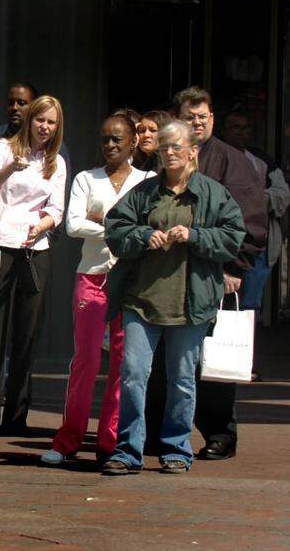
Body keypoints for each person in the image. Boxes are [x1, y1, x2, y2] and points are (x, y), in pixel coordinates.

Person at [101, 120, 245, 475]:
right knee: (134, 374)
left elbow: (232, 237)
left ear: (193, 151)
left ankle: (176, 448)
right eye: (164, 147)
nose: (168, 153)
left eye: (176, 147)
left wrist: (194, 235)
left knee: (182, 379)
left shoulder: (213, 193)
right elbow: (115, 228)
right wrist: (143, 235)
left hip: (190, 304)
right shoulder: (145, 191)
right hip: (141, 300)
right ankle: (127, 450)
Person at [40, 114, 152, 466]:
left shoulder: (148, 181)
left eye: (118, 139)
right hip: (91, 276)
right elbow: (73, 225)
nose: (110, 145)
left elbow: (150, 227)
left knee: (124, 362)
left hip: (131, 281)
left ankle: (110, 441)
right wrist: (123, 228)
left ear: (133, 141)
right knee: (85, 359)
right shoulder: (87, 178)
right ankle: (68, 438)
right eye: (105, 139)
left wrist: (103, 221)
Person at [174, 87, 266, 462]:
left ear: (212, 119)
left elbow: (250, 219)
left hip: (216, 274)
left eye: (203, 116)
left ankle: (220, 434)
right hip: (171, 274)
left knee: (214, 361)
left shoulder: (232, 160)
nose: (197, 122)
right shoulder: (170, 156)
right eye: (189, 116)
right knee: (172, 361)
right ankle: (167, 432)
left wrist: (234, 266)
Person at [0, 95, 67, 436]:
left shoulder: (55, 161)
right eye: (40, 119)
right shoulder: (4, 147)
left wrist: (41, 226)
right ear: (29, 119)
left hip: (34, 249)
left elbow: (57, 209)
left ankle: (17, 414)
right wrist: (8, 169)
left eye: (52, 122)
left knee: (25, 334)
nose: (44, 127)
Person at [220, 110, 290, 314]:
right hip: (222, 241)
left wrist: (252, 198)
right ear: (224, 130)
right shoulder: (214, 156)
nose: (241, 132)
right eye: (235, 127)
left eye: (246, 128)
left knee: (249, 306)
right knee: (221, 305)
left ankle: (244, 345)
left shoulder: (263, 161)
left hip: (258, 243)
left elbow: (283, 194)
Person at [0, 82, 36, 160]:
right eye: (10, 103)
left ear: (35, 106)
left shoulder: (42, 136)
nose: (14, 107)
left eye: (21, 103)